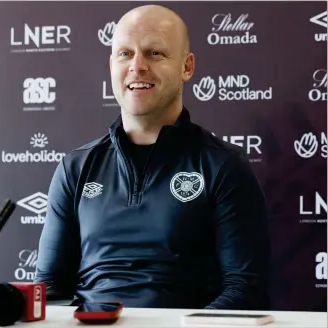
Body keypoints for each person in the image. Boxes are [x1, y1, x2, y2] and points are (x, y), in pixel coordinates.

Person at [34, 4, 271, 310]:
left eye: (154, 53)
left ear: (187, 67)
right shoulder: (75, 167)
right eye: (125, 54)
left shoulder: (223, 166)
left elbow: (246, 289)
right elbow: (49, 288)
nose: (137, 66)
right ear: (111, 66)